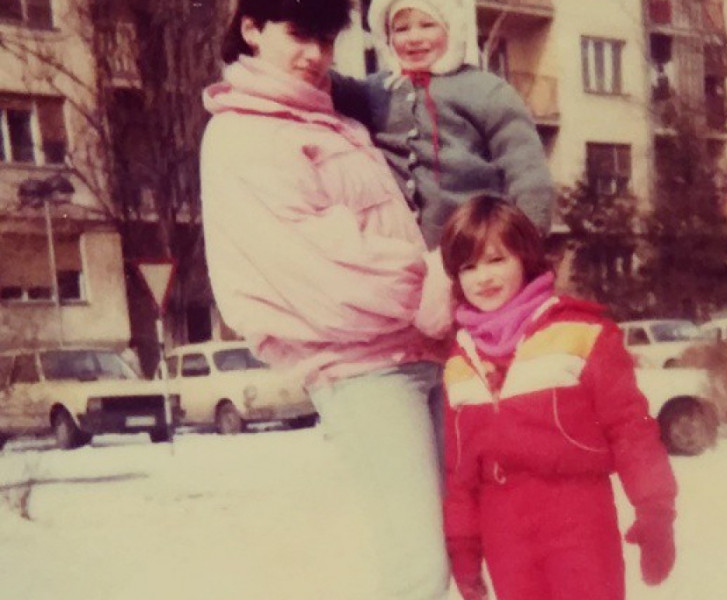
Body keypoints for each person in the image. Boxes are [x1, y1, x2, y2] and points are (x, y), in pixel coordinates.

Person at [199, 2, 451, 599]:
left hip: (425, 349)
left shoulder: (333, 122)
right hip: (363, 371)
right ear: (251, 30)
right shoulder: (244, 135)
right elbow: (318, 270)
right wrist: (437, 280)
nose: (315, 55)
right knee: (419, 564)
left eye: (327, 38)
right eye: (298, 34)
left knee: (462, 539)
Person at [438, 195, 678, 600]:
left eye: (496, 259)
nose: (483, 277)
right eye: (468, 267)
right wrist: (463, 548)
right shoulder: (460, 364)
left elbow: (629, 428)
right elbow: (460, 473)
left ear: (525, 257)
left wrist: (655, 510)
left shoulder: (580, 333)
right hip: (504, 527)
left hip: (577, 515)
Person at [331, 0, 555, 248]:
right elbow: (327, 86)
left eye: (427, 25)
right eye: (401, 29)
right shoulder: (377, 90)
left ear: (450, 29)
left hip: (475, 245)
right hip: (400, 248)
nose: (414, 38)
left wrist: (527, 240)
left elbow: (525, 167)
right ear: (387, 37)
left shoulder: (486, 90)